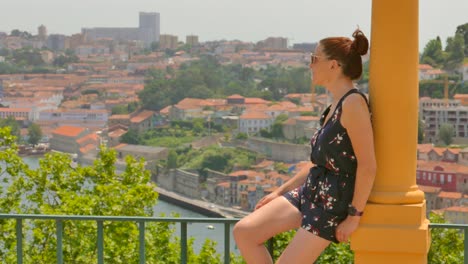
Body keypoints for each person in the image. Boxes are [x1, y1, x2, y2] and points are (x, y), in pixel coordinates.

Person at [233, 29, 377, 263]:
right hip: (310, 191)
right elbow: (317, 164)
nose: (310, 65)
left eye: (314, 59)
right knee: (245, 232)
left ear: (333, 65)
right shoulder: (334, 105)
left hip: (331, 204)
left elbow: (368, 165)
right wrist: (279, 192)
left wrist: (354, 216)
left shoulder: (353, 103)